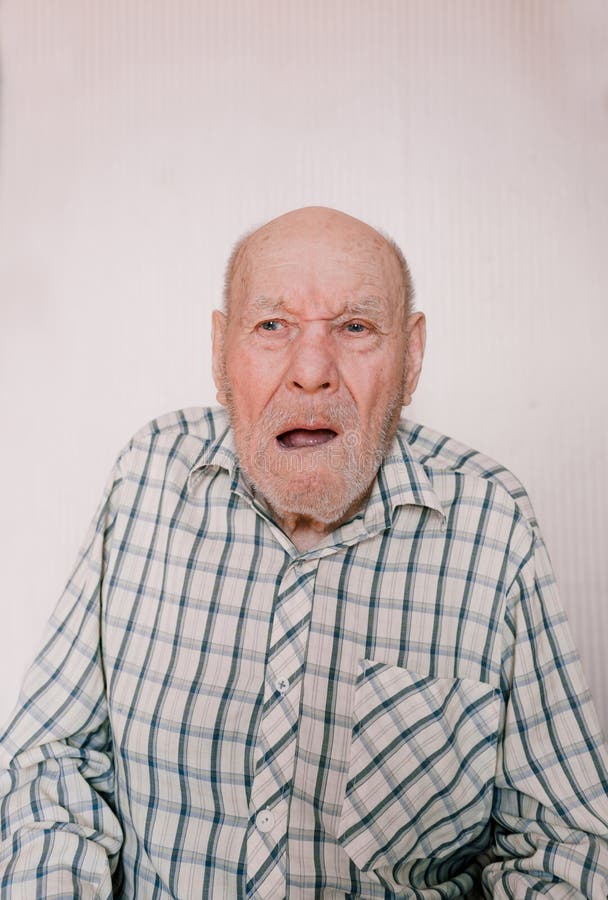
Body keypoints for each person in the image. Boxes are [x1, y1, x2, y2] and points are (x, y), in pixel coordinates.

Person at [0, 206, 607, 899]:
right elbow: (51, 757)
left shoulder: (490, 524)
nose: (312, 371)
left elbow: (564, 845)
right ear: (220, 352)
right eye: (271, 326)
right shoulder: (148, 477)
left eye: (355, 328)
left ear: (411, 358)